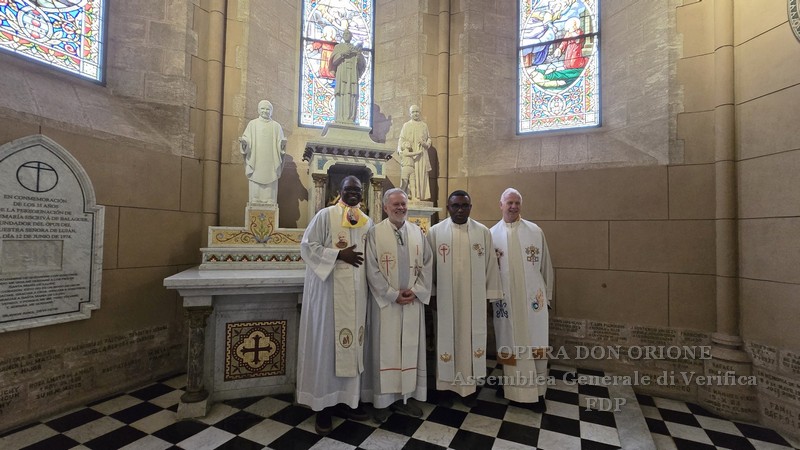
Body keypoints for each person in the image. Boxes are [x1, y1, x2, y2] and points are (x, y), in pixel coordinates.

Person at [296, 176, 373, 435]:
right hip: (328, 297)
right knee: (327, 349)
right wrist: (339, 254)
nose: (353, 193)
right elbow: (307, 247)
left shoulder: (366, 222)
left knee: (353, 347)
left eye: (357, 190)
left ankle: (347, 401)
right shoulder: (325, 216)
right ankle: (323, 408)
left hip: (357, 295)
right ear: (338, 191)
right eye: (348, 189)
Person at [361, 188, 432, 422]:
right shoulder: (374, 233)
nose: (401, 208)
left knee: (409, 350)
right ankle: (381, 401)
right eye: (395, 205)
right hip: (387, 306)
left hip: (412, 303)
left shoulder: (417, 232)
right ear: (385, 208)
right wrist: (392, 294)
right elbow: (371, 268)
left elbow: (428, 264)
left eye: (403, 204)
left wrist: (417, 291)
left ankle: (405, 398)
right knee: (386, 350)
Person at [427, 190, 503, 407]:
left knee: (471, 340)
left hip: (474, 301)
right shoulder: (435, 232)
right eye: (455, 206)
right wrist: (431, 293)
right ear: (448, 207)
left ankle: (468, 389)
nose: (460, 210)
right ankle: (445, 389)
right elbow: (427, 267)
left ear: (471, 207)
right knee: (446, 339)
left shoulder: (482, 232)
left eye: (465, 206)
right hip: (444, 300)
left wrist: (490, 297)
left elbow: (490, 266)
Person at [490, 188, 553, 412]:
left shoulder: (535, 231)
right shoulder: (492, 235)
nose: (513, 206)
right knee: (509, 345)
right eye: (509, 202)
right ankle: (511, 388)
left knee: (535, 346)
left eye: (517, 202)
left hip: (532, 303)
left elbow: (546, 266)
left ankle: (537, 392)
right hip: (506, 301)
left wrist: (548, 297)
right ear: (501, 204)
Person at [239, 100, 286, 204]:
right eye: (263, 109)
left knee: (270, 176)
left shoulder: (276, 126)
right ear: (258, 110)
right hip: (256, 157)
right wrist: (244, 143)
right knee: (256, 175)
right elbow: (246, 139)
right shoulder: (253, 124)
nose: (265, 111)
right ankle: (256, 197)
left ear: (271, 111)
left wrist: (282, 146)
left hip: (270, 158)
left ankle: (270, 198)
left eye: (268, 109)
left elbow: (281, 143)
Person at [329, 29, 366, 124]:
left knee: (352, 94)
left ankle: (350, 117)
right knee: (342, 93)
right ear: (342, 36)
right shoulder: (338, 47)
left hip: (352, 74)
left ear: (351, 36)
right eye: (345, 34)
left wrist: (359, 56)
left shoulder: (355, 48)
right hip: (342, 73)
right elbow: (333, 61)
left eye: (348, 34)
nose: (346, 35)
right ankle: (340, 117)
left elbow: (361, 64)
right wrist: (342, 54)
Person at [397, 105, 432, 202]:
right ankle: (410, 195)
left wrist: (425, 144)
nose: (415, 114)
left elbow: (429, 138)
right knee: (411, 176)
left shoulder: (424, 125)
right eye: (413, 112)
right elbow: (401, 139)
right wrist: (400, 150)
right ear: (410, 114)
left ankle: (419, 195)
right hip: (411, 155)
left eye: (417, 112)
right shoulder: (406, 125)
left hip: (421, 154)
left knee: (421, 174)